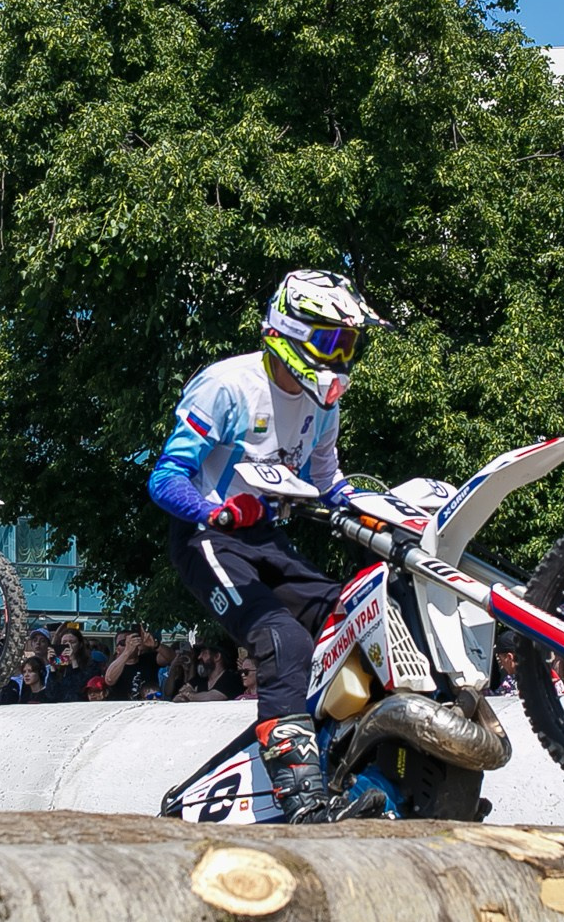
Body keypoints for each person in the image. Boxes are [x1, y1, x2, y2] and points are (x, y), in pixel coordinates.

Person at [147, 269, 389, 823]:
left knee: (357, 616)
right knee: (282, 641)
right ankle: (301, 800)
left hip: (268, 537)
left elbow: (331, 483)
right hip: (208, 536)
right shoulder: (228, 386)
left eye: (349, 343)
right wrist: (218, 510)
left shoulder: (324, 404)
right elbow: (164, 479)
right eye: (331, 340)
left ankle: (363, 764)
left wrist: (387, 514)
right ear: (289, 329)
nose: (342, 356)